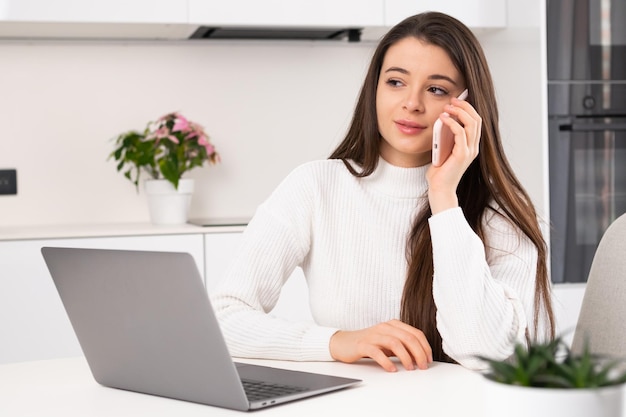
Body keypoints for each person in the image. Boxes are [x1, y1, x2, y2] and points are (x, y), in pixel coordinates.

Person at [209, 11, 555, 372]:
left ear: (467, 106)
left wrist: (444, 199)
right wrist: (337, 341)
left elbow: (482, 350)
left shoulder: (500, 213)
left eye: (436, 89)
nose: (412, 103)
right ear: (374, 88)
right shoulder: (314, 187)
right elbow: (224, 317)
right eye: (395, 82)